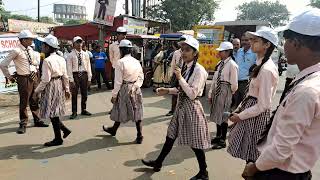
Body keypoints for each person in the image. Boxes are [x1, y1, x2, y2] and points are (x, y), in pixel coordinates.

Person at [242, 9, 320, 180]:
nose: (283, 46)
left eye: (286, 40)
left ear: (297, 43)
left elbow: (282, 148)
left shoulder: (307, 90)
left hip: (280, 172)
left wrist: (255, 167)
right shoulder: (308, 79)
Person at [141, 37, 211, 180]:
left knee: (196, 142)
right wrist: (167, 90)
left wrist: (179, 78)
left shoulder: (199, 70)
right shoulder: (186, 67)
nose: (184, 53)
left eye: (187, 50)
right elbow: (181, 89)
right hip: (181, 106)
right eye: (182, 50)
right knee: (170, 135)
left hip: (192, 108)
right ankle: (158, 162)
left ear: (195, 53)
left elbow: (192, 94)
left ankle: (204, 172)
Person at [227, 27, 279, 164]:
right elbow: (251, 93)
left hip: (256, 116)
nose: (251, 43)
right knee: (250, 155)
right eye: (251, 40)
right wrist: (239, 109)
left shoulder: (267, 69)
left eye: (255, 40)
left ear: (267, 45)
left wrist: (240, 116)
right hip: (251, 113)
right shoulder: (260, 64)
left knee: (253, 157)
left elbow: (263, 104)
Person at [0, 30, 49, 134]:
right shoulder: (16, 50)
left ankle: (37, 120)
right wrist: (9, 76)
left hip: (34, 77)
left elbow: (35, 64)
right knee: (24, 101)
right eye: (30, 39)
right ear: (23, 40)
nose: (32, 40)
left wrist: (37, 75)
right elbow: (3, 64)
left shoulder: (31, 50)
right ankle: (23, 123)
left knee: (35, 99)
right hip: (24, 78)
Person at [102, 40, 144, 144]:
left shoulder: (120, 62)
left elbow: (118, 82)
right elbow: (141, 77)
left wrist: (114, 95)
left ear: (121, 50)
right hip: (135, 88)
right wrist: (136, 86)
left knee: (121, 109)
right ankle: (139, 135)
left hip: (125, 88)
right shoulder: (136, 61)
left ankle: (114, 130)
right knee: (137, 111)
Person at [34, 35, 71, 147]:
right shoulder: (61, 59)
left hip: (51, 85)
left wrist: (36, 91)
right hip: (59, 84)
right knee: (54, 112)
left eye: (43, 45)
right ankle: (63, 131)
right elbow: (65, 76)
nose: (42, 47)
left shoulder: (47, 61)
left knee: (52, 112)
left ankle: (58, 138)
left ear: (48, 47)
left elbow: (45, 79)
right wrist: (67, 89)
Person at [208, 42, 238, 150]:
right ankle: (218, 135)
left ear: (228, 52)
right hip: (218, 89)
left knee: (224, 116)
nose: (219, 53)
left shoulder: (232, 65)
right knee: (217, 114)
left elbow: (234, 84)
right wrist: (211, 92)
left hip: (226, 90)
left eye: (221, 51)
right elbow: (215, 79)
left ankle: (222, 140)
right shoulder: (220, 64)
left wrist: (229, 94)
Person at [67, 36, 92, 119]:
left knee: (84, 93)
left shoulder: (86, 54)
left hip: (84, 74)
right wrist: (71, 80)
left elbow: (88, 66)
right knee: (74, 94)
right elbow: (69, 68)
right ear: (73, 44)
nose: (79, 44)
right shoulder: (70, 55)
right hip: (75, 75)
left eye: (80, 42)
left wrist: (89, 78)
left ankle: (83, 109)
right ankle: (74, 112)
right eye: (77, 42)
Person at [232, 34, 257, 109]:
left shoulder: (254, 53)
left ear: (251, 41)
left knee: (246, 104)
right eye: (243, 40)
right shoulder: (239, 51)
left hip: (247, 83)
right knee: (237, 103)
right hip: (237, 82)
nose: (244, 42)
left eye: (246, 40)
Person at [165, 39, 184, 117]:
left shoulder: (189, 52)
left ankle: (182, 112)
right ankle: (173, 110)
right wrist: (171, 74)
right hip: (176, 74)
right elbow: (173, 64)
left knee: (184, 94)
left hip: (184, 74)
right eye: (182, 43)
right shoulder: (176, 53)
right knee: (174, 93)